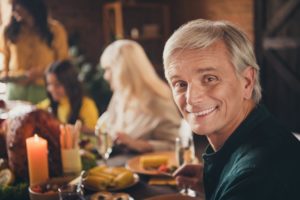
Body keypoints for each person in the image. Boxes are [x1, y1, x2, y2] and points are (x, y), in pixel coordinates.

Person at [163, 19, 300, 200]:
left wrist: (236, 181)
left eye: (210, 78)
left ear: (247, 82)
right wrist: (218, 179)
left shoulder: (256, 176)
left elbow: (257, 182)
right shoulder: (257, 144)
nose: (191, 98)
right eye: (180, 84)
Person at [99, 39, 181, 153]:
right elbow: (108, 125)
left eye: (109, 69)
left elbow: (175, 145)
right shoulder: (120, 95)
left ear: (123, 70)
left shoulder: (158, 102)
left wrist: (136, 144)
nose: (106, 76)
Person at [0, 0, 68, 104]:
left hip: (45, 92)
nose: (14, 10)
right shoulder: (8, 31)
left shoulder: (55, 30)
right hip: (15, 93)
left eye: (17, 5)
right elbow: (2, 72)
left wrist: (44, 73)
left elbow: (63, 65)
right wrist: (23, 76)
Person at [37, 60, 99, 135]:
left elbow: (95, 135)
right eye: (49, 84)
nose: (52, 89)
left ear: (70, 83)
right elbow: (34, 110)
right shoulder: (50, 104)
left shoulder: (87, 105)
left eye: (57, 85)